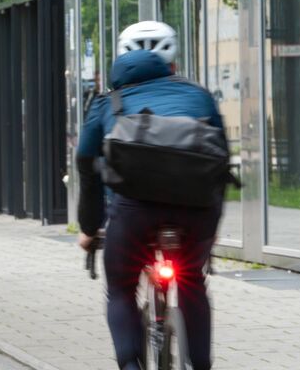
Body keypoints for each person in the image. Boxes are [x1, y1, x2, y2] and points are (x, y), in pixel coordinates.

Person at [76, 21, 224, 370]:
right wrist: (212, 225)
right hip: (194, 212)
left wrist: (89, 227)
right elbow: (220, 163)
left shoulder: (105, 103)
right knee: (191, 279)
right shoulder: (198, 95)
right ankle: (199, 364)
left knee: (123, 288)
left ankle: (130, 365)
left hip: (133, 213)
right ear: (168, 67)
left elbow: (86, 167)